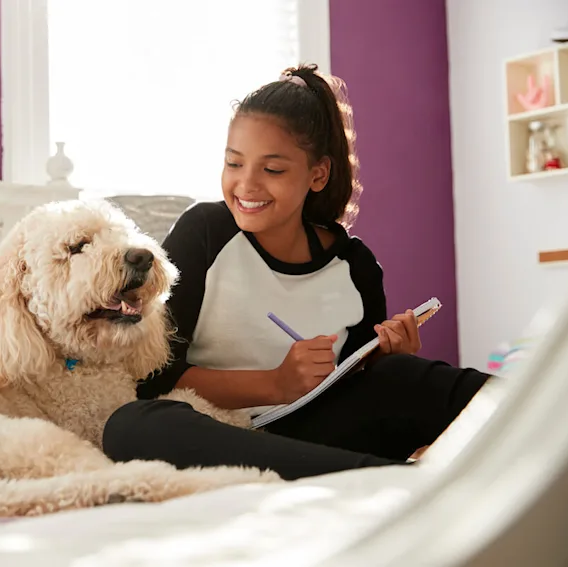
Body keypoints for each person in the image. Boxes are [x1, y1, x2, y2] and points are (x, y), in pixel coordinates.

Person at [101, 64, 490, 481]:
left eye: (272, 170)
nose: (246, 185)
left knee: (407, 376)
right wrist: (276, 384)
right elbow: (156, 375)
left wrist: (383, 360)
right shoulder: (205, 233)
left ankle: (555, 429)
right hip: (223, 434)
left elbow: (359, 386)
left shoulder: (354, 265)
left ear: (317, 174)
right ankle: (402, 480)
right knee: (132, 424)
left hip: (321, 434)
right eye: (234, 164)